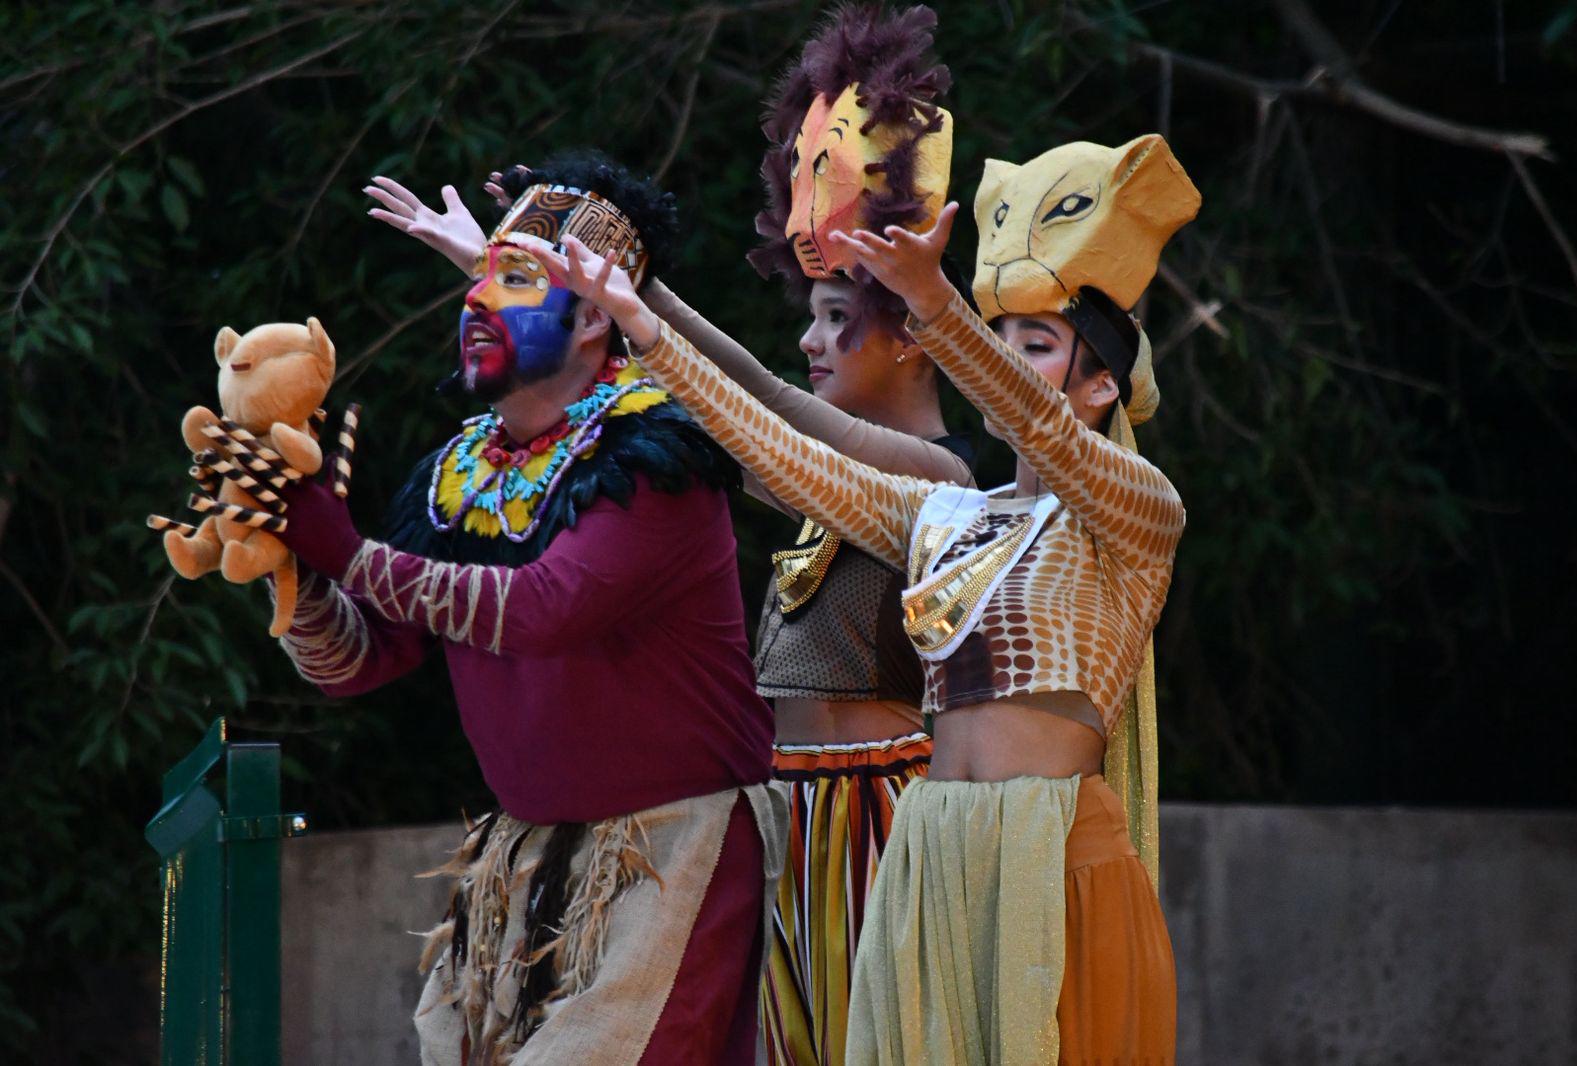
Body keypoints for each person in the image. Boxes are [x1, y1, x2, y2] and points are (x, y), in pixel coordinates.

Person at [363, 9, 976, 1061]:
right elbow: (645, 395)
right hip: (796, 842)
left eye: (841, 317)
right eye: (813, 312)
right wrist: (548, 273)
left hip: (880, 844)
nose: (809, 337)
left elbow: (757, 407)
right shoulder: (773, 466)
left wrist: (621, 291)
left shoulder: (940, 482)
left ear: (918, 339)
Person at [530, 131, 1201, 1064]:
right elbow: (776, 447)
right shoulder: (942, 512)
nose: (1008, 361)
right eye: (999, 339)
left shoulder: (1136, 514)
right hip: (925, 851)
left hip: (1049, 856)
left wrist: (937, 305)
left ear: (1099, 388)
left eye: (1036, 345)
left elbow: (1033, 422)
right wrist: (639, 325)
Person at [265, 152, 785, 1064]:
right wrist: (287, 568)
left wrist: (344, 550)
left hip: (676, 855)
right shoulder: (464, 467)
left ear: (593, 317)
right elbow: (366, 661)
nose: (472, 300)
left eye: (511, 281)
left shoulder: (655, 457)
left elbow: (541, 610)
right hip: (524, 863)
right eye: (477, 279)